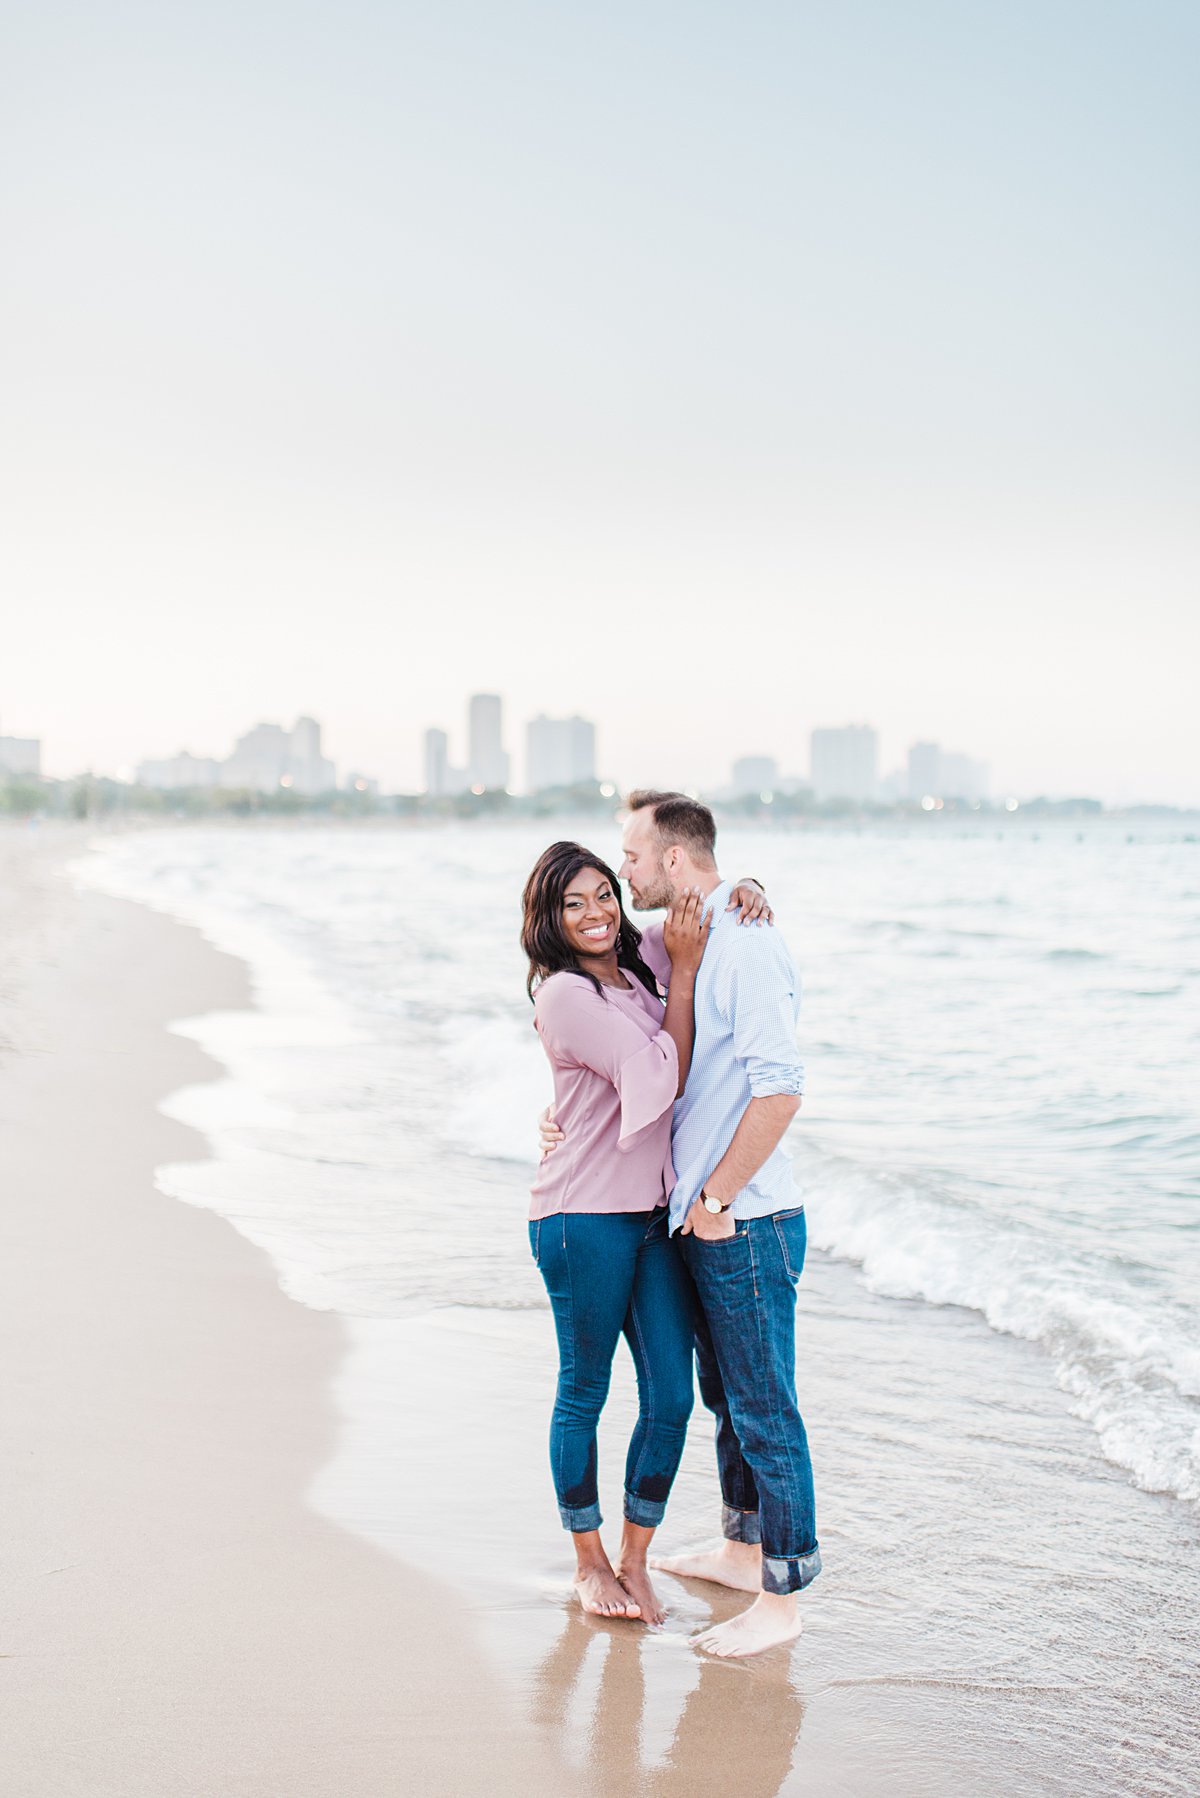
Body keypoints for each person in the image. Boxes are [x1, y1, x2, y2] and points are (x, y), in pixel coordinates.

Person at [541, 793, 819, 1659]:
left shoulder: (737, 938)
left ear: (668, 861)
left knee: (762, 1405)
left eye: (626, 859)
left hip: (736, 1216)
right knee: (725, 1397)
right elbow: (621, 1055)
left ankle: (783, 1593)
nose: (617, 881)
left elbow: (780, 1087)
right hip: (675, 1216)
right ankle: (742, 1550)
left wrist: (717, 1201)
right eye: (584, 892)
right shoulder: (676, 947)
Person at [522, 841, 711, 1624]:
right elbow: (655, 1078)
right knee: (586, 1389)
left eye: (605, 893)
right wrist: (690, 979)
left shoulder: (635, 965)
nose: (597, 912)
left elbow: (703, 911)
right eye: (576, 904)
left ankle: (637, 1556)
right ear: (551, 920)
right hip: (582, 1218)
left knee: (672, 1395)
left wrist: (749, 889)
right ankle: (589, 1560)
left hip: (650, 1216)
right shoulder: (563, 994)